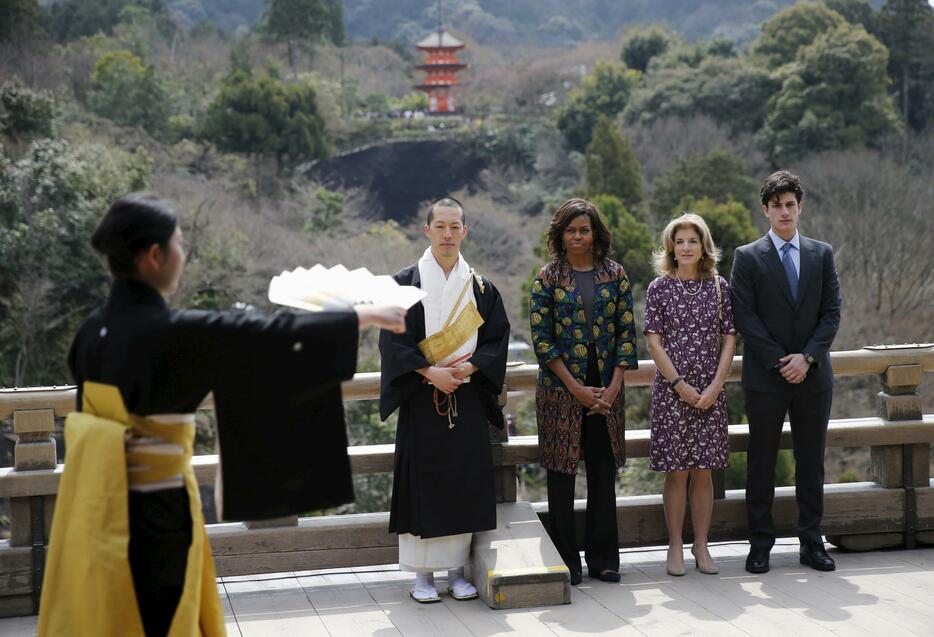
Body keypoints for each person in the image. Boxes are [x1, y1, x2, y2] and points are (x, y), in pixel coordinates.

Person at [38, 193, 406, 637]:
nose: (183, 254)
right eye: (179, 244)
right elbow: (267, 337)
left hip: (93, 505)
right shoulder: (170, 333)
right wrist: (364, 315)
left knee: (107, 611)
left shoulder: (91, 331)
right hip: (154, 512)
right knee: (160, 616)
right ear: (155, 256)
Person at [379, 197, 510, 604]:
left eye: (456, 227)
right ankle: (423, 576)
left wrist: (469, 371)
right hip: (422, 397)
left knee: (463, 483)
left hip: (466, 397)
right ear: (428, 231)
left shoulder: (482, 287)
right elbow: (393, 342)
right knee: (424, 482)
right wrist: (430, 371)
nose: (448, 234)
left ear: (465, 232)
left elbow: (496, 340)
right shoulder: (404, 283)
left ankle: (457, 572)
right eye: (441, 226)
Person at [731, 171, 841, 574]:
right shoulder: (746, 256)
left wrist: (807, 358)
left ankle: (812, 541)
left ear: (800, 206)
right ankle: (759, 544)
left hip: (814, 376)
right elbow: (744, 316)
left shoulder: (821, 253)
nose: (784, 211)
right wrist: (782, 360)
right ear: (765, 209)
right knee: (761, 461)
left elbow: (831, 313)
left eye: (790, 203)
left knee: (811, 462)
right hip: (766, 376)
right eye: (776, 204)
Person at [529, 198, 638, 586]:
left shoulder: (616, 274)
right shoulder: (547, 277)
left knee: (602, 474)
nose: (578, 236)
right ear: (560, 235)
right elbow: (542, 341)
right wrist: (575, 388)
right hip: (562, 391)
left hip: (607, 387)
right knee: (561, 476)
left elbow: (627, 334)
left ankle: (604, 559)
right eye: (571, 230)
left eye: (584, 230)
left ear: (596, 234)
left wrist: (612, 387)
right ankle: (566, 562)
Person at [643, 213, 736, 576]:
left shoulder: (719, 286)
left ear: (703, 246)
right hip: (672, 390)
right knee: (677, 470)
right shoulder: (658, 288)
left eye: (692, 241)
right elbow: (653, 341)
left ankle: (702, 544)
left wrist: (715, 385)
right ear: (671, 246)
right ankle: (675, 545)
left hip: (711, 390)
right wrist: (680, 385)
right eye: (679, 241)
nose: (685, 247)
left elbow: (729, 336)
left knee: (703, 470)